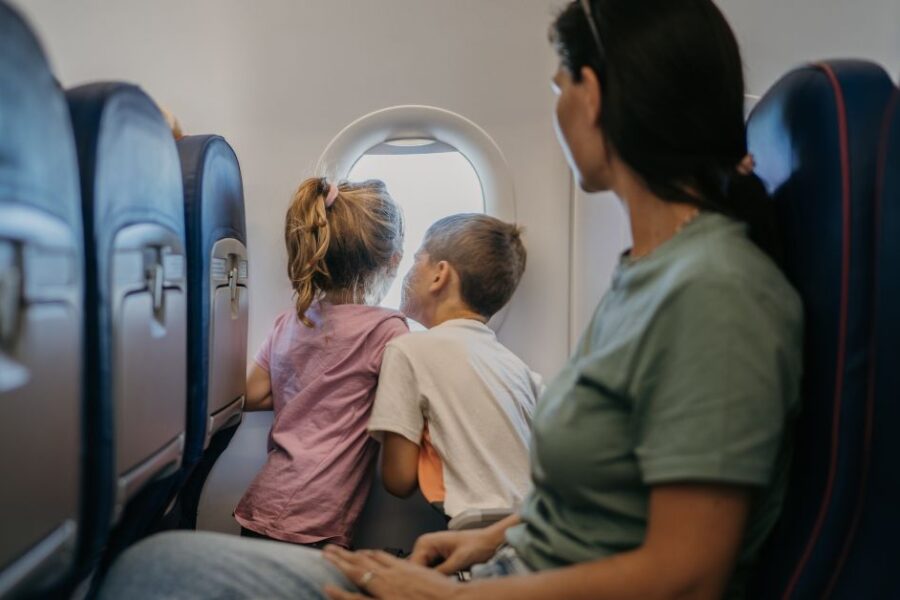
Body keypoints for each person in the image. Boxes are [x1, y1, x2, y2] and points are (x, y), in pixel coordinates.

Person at [97, 1, 803, 598]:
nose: (557, 107)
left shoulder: (714, 291)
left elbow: (688, 572)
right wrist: (484, 542)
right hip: (497, 566)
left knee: (146, 570)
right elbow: (589, 509)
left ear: (592, 96)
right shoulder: (647, 278)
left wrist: (450, 594)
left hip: (501, 589)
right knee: (150, 565)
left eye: (560, 84)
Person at [235, 177, 408, 547]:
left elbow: (251, 393)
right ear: (391, 261)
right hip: (311, 520)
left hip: (264, 503)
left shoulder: (292, 320)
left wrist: (307, 392)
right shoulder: (387, 330)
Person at [370, 214, 541, 518]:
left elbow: (398, 479)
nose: (408, 272)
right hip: (533, 529)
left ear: (440, 275)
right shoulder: (520, 370)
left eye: (416, 260)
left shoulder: (408, 350)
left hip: (478, 535)